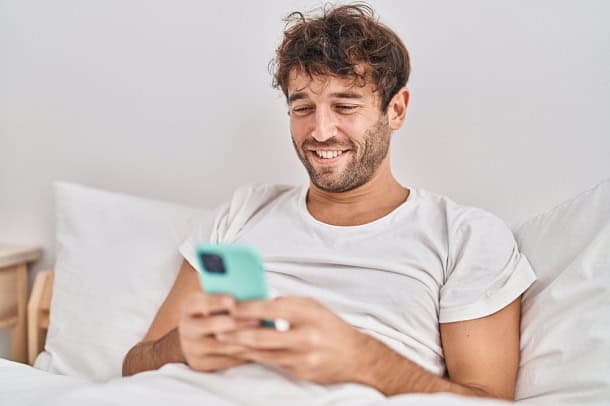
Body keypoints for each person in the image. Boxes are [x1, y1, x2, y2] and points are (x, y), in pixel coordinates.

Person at [122, 4, 536, 401]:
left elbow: (488, 401)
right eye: (302, 107)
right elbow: (136, 365)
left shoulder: (464, 236)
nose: (320, 131)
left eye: (345, 106)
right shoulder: (243, 211)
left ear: (396, 109)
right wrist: (180, 347)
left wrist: (365, 361)